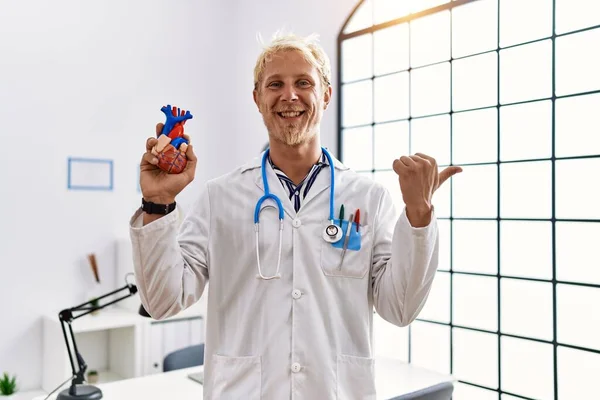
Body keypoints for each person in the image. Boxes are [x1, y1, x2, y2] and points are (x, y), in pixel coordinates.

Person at [130, 32, 462, 399]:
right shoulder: (220, 197)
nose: (289, 95)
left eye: (303, 82)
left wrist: (419, 214)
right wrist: (158, 204)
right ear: (257, 98)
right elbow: (161, 301)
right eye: (275, 84)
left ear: (326, 95)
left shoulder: (369, 197)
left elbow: (399, 308)